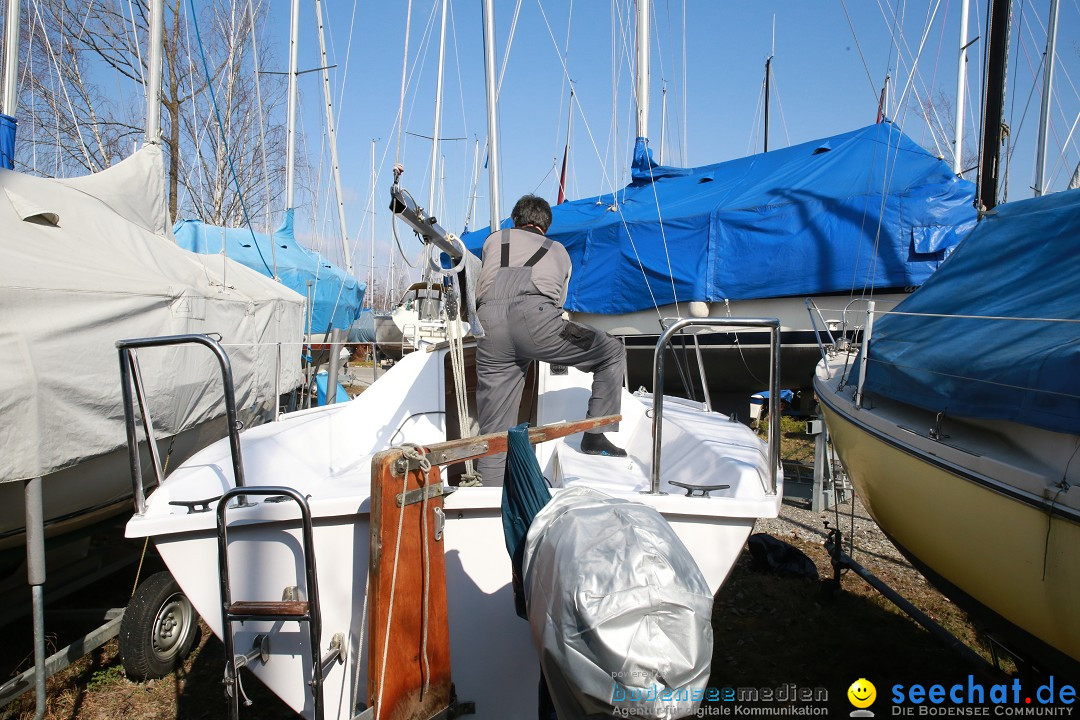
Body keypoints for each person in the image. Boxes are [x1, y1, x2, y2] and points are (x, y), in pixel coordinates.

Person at [474, 194, 627, 486]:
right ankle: (595, 437)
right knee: (612, 352)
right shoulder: (558, 251)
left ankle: (492, 494)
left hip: (489, 325)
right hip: (536, 321)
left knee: (494, 429)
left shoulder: (494, 240)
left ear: (516, 220)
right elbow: (558, 301)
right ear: (546, 225)